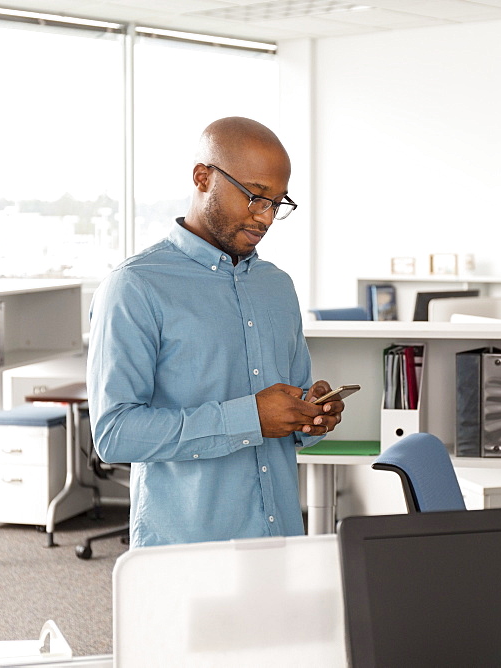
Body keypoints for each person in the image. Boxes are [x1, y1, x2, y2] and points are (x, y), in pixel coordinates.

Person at [87, 117, 345, 548]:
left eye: (277, 203)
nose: (265, 217)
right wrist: (250, 419)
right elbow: (115, 434)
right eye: (255, 197)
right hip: (190, 552)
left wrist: (309, 416)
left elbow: (287, 409)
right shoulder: (135, 287)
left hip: (281, 539)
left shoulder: (277, 287)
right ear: (203, 177)